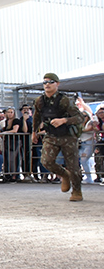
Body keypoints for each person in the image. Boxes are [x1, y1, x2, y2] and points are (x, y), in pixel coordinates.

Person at [32, 73, 86, 201]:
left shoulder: (64, 100)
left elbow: (80, 117)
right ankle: (64, 175)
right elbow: (37, 116)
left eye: (51, 82)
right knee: (46, 161)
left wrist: (64, 120)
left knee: (73, 166)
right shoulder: (39, 101)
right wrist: (34, 132)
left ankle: (76, 191)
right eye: (45, 82)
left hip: (68, 136)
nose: (47, 84)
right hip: (51, 135)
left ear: (57, 84)